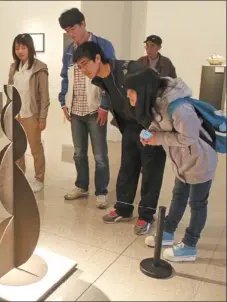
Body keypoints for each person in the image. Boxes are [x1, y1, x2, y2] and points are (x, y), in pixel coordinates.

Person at [72, 41, 167, 235]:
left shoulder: (131, 70)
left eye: (84, 64)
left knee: (151, 171)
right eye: (79, 66)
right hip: (130, 127)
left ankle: (146, 216)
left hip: (151, 127)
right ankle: (123, 208)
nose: (82, 70)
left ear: (98, 58)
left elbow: (158, 90)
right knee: (128, 167)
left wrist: (157, 129)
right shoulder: (102, 79)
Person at [124, 68, 218, 262]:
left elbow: (189, 137)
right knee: (178, 196)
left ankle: (190, 246)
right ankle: (167, 232)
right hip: (182, 160)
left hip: (200, 160)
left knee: (197, 203)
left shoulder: (179, 108)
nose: (128, 96)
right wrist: (150, 132)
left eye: (131, 91)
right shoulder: (156, 102)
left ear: (143, 90)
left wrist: (157, 138)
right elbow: (160, 125)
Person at [58, 8, 114, 207]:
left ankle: (102, 190)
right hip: (75, 110)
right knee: (79, 152)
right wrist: (63, 102)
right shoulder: (69, 51)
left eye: (72, 28)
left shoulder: (103, 45)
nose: (70, 33)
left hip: (95, 108)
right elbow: (65, 78)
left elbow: (110, 76)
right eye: (66, 30)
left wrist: (105, 106)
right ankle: (81, 185)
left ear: (83, 24)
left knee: (100, 154)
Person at [8, 33, 50, 193]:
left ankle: (39, 178)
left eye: (23, 47)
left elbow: (44, 95)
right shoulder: (13, 68)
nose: (20, 51)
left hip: (32, 114)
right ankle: (20, 175)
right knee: (18, 148)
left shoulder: (39, 68)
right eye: (17, 47)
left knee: (35, 148)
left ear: (30, 48)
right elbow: (10, 91)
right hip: (16, 114)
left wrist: (42, 117)